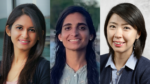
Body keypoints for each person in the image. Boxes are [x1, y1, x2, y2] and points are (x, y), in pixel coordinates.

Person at [100, 3, 150, 84]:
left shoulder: (147, 70)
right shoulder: (96, 63)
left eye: (126, 28)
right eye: (113, 26)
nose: (117, 35)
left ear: (138, 34)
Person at [0, 4, 50, 84]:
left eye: (32, 30)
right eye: (19, 28)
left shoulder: (44, 67)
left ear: (39, 35)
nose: (25, 35)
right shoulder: (1, 66)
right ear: (8, 30)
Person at [50, 6, 100, 84]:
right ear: (60, 36)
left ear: (91, 35)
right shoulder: (47, 73)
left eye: (82, 28)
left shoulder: (103, 73)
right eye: (68, 28)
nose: (74, 33)